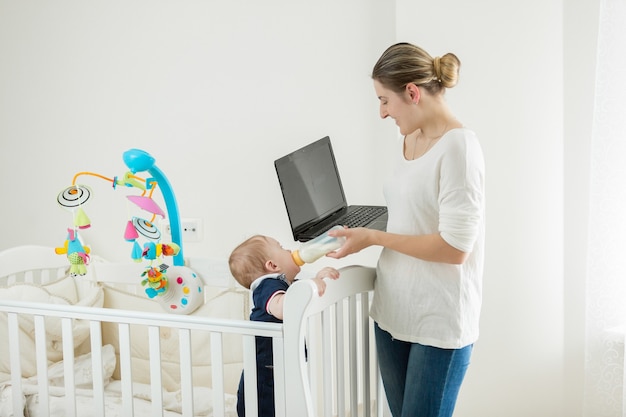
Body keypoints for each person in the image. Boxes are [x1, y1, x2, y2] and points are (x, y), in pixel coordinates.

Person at [327, 42, 485, 417]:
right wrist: (358, 228)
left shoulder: (459, 149)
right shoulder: (409, 139)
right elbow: (415, 212)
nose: (382, 113)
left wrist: (374, 237)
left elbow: (455, 248)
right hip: (393, 312)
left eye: (385, 100)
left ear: (412, 92)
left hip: (438, 324)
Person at [229, 234, 340, 417]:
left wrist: (317, 279)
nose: (289, 250)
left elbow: (300, 294)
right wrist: (312, 283)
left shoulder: (283, 285)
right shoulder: (266, 286)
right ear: (273, 266)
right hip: (264, 377)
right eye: (281, 247)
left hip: (278, 370)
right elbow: (281, 308)